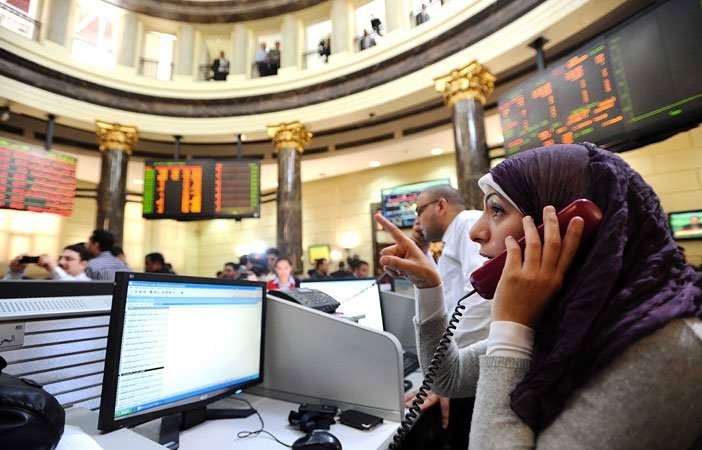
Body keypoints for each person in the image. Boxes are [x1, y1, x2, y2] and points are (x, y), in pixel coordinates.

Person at [376, 143, 702, 449]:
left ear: (569, 228)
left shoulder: (668, 351)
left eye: (497, 210)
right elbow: (448, 376)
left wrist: (510, 327)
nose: (476, 231)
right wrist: (429, 288)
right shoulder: (561, 321)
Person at [408, 185, 489, 449]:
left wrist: (446, 366)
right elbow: (447, 291)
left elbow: (479, 296)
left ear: (441, 206)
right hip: (464, 361)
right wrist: (422, 252)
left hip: (471, 362)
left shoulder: (467, 224)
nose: (417, 220)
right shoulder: (451, 237)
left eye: (419, 210)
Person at [3, 243, 92, 281]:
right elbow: (8, 293)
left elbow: (72, 289)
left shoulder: (89, 286)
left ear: (83, 264)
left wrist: (54, 268)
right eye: (60, 258)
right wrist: (15, 272)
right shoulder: (50, 280)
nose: (60, 262)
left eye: (68, 259)